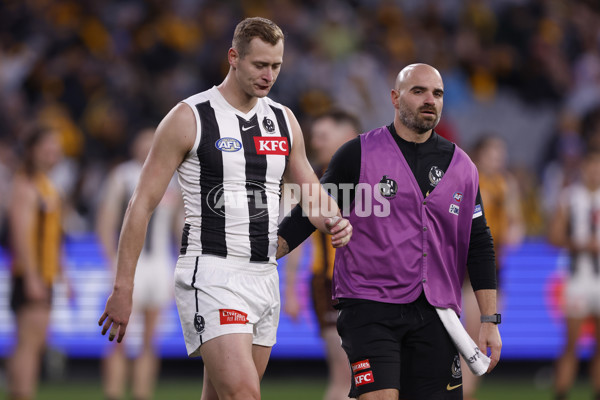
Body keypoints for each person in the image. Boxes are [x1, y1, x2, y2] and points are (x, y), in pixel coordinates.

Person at [98, 17, 352, 400]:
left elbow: (311, 194)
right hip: (211, 271)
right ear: (234, 57)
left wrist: (335, 219)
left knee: (220, 395)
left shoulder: (283, 121)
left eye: (276, 66)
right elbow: (142, 203)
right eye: (260, 65)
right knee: (244, 394)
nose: (269, 75)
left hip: (265, 276)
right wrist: (123, 286)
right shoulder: (190, 116)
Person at [278, 63, 502, 400]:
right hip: (369, 307)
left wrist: (489, 319)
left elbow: (480, 243)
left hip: (437, 312)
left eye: (437, 93)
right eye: (419, 91)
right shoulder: (357, 153)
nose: (430, 100)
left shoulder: (462, 167)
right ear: (395, 98)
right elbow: (312, 208)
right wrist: (266, 251)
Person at [96, 128, 182, 400]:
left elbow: (179, 226)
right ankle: (114, 392)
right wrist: (113, 262)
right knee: (118, 339)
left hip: (159, 265)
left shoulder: (173, 179)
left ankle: (142, 393)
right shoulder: (123, 175)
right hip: (130, 264)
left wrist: (181, 261)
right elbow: (106, 222)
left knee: (149, 340)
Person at [284, 109, 361, 400]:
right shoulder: (310, 181)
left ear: (349, 137)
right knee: (345, 376)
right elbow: (294, 238)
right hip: (331, 285)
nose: (315, 143)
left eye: (323, 136)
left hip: (372, 287)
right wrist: (290, 290)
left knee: (370, 378)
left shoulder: (375, 177)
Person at [461, 135, 524, 400]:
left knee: (478, 337)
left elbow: (516, 223)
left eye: (501, 153)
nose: (498, 158)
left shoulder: (506, 184)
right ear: (479, 154)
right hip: (467, 266)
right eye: (493, 153)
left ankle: (465, 390)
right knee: (472, 335)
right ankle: (464, 391)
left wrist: (514, 234)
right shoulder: (468, 181)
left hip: (494, 266)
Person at [7, 126, 65, 400]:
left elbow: (52, 237)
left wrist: (62, 273)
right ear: (32, 151)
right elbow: (20, 235)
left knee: (32, 343)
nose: (53, 153)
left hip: (45, 275)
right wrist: (32, 278)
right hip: (33, 275)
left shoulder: (45, 185)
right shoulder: (26, 186)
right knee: (29, 345)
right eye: (47, 147)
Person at [549, 149, 600, 400]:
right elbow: (554, 237)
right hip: (578, 279)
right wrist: (582, 244)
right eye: (591, 165)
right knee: (571, 344)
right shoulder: (570, 197)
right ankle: (561, 393)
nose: (594, 171)